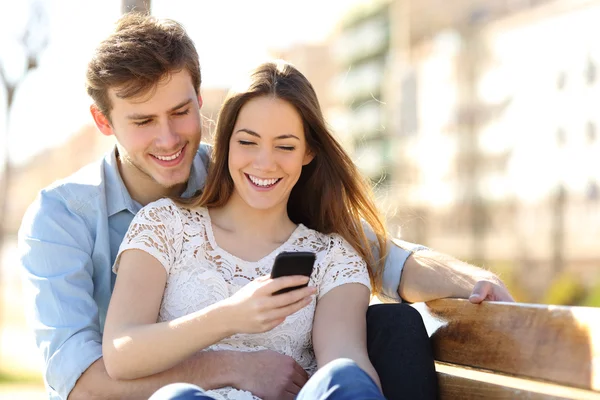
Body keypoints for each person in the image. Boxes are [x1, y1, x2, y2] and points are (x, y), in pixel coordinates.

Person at [17, 13, 513, 400]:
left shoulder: (244, 170)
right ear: (104, 122)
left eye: (181, 111)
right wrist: (234, 364)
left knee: (390, 330)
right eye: (143, 120)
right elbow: (82, 381)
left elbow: (380, 254)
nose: (169, 138)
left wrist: (473, 282)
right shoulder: (62, 219)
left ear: (200, 99)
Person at [103, 59, 392, 399]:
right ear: (225, 141)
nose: (264, 163)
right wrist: (230, 316)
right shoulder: (165, 225)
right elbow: (121, 352)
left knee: (347, 376)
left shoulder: (333, 257)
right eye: (247, 142)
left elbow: (346, 360)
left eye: (285, 146)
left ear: (308, 151)